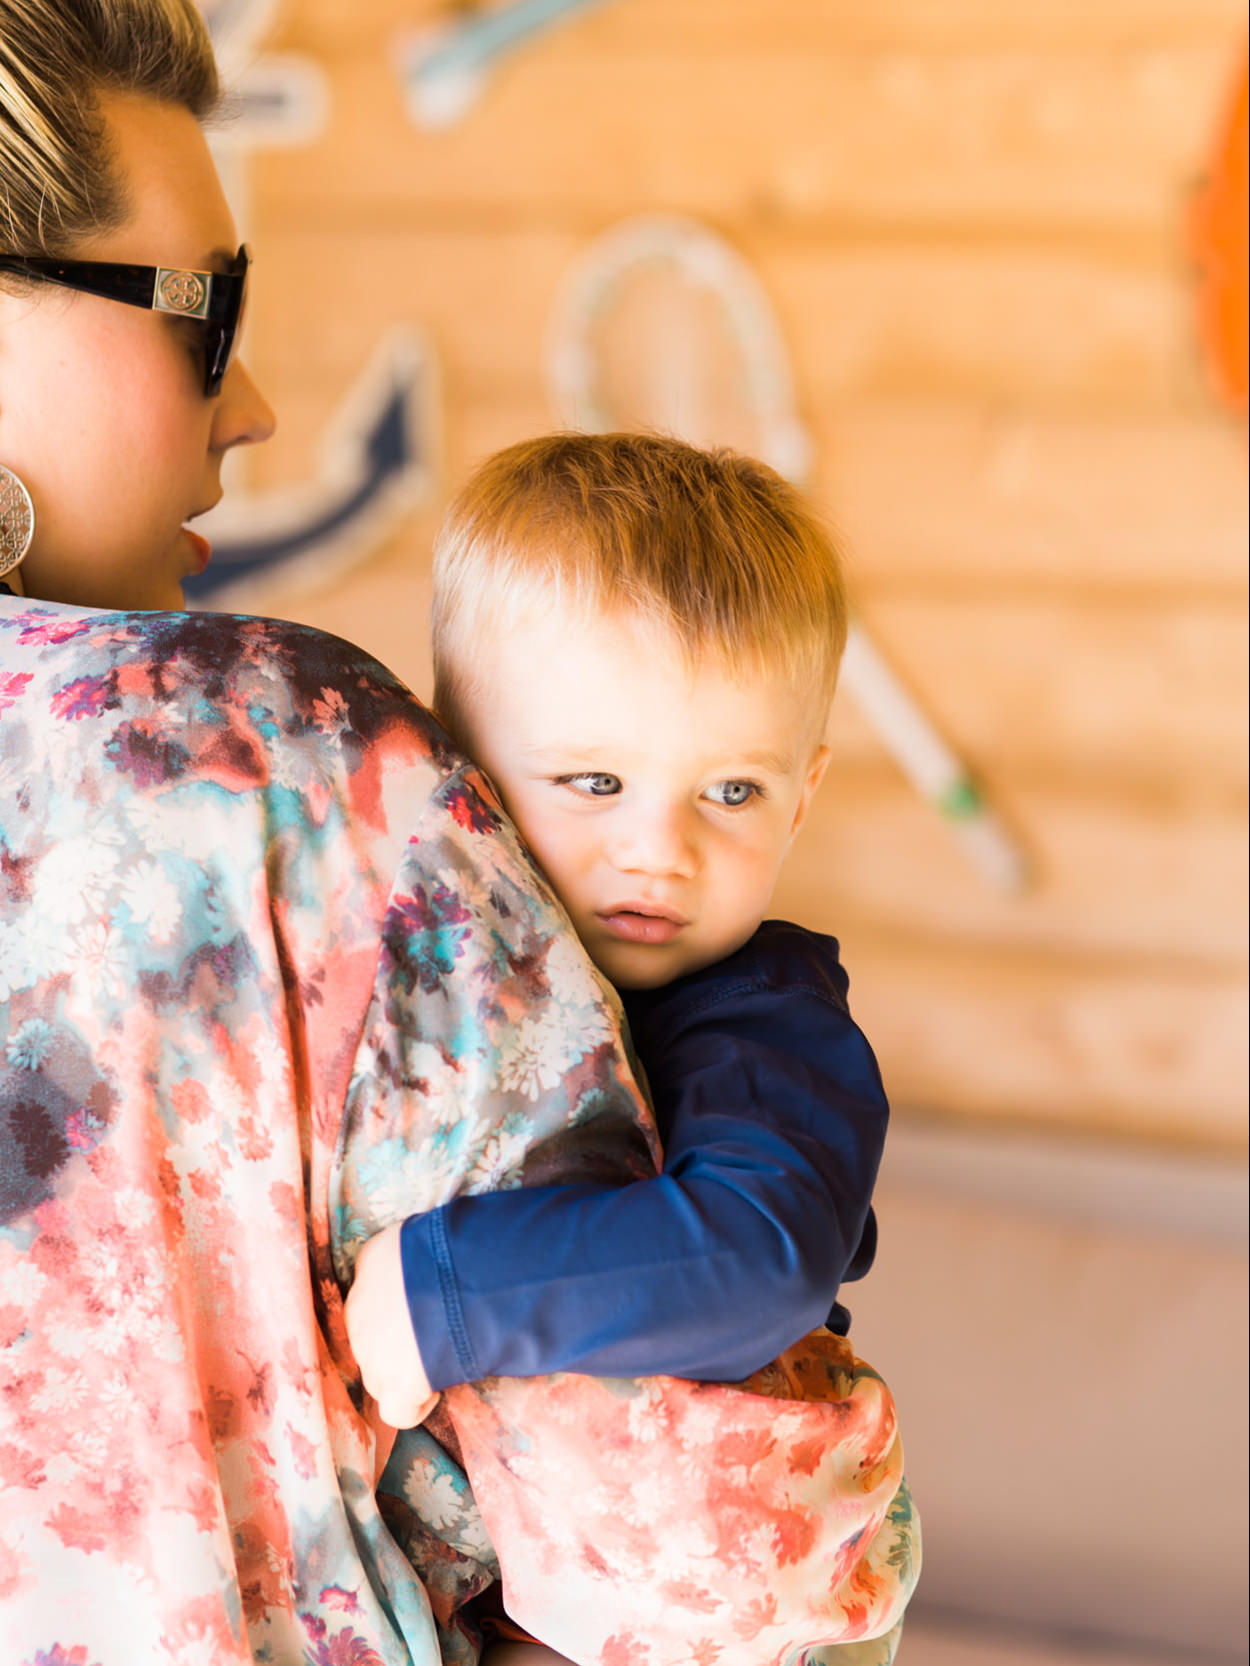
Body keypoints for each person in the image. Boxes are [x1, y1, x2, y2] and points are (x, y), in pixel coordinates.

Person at [1, 6, 915, 1663]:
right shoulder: (289, 762)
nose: (253, 400)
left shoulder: (775, 1016)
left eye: (734, 789)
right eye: (206, 313)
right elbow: (723, 1565)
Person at [347, 432, 889, 1402]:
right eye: (595, 781)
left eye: (730, 792)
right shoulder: (421, 955)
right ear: (458, 767)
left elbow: (762, 1252)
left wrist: (443, 1294)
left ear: (798, 801)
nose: (657, 850)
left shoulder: (765, 1022)